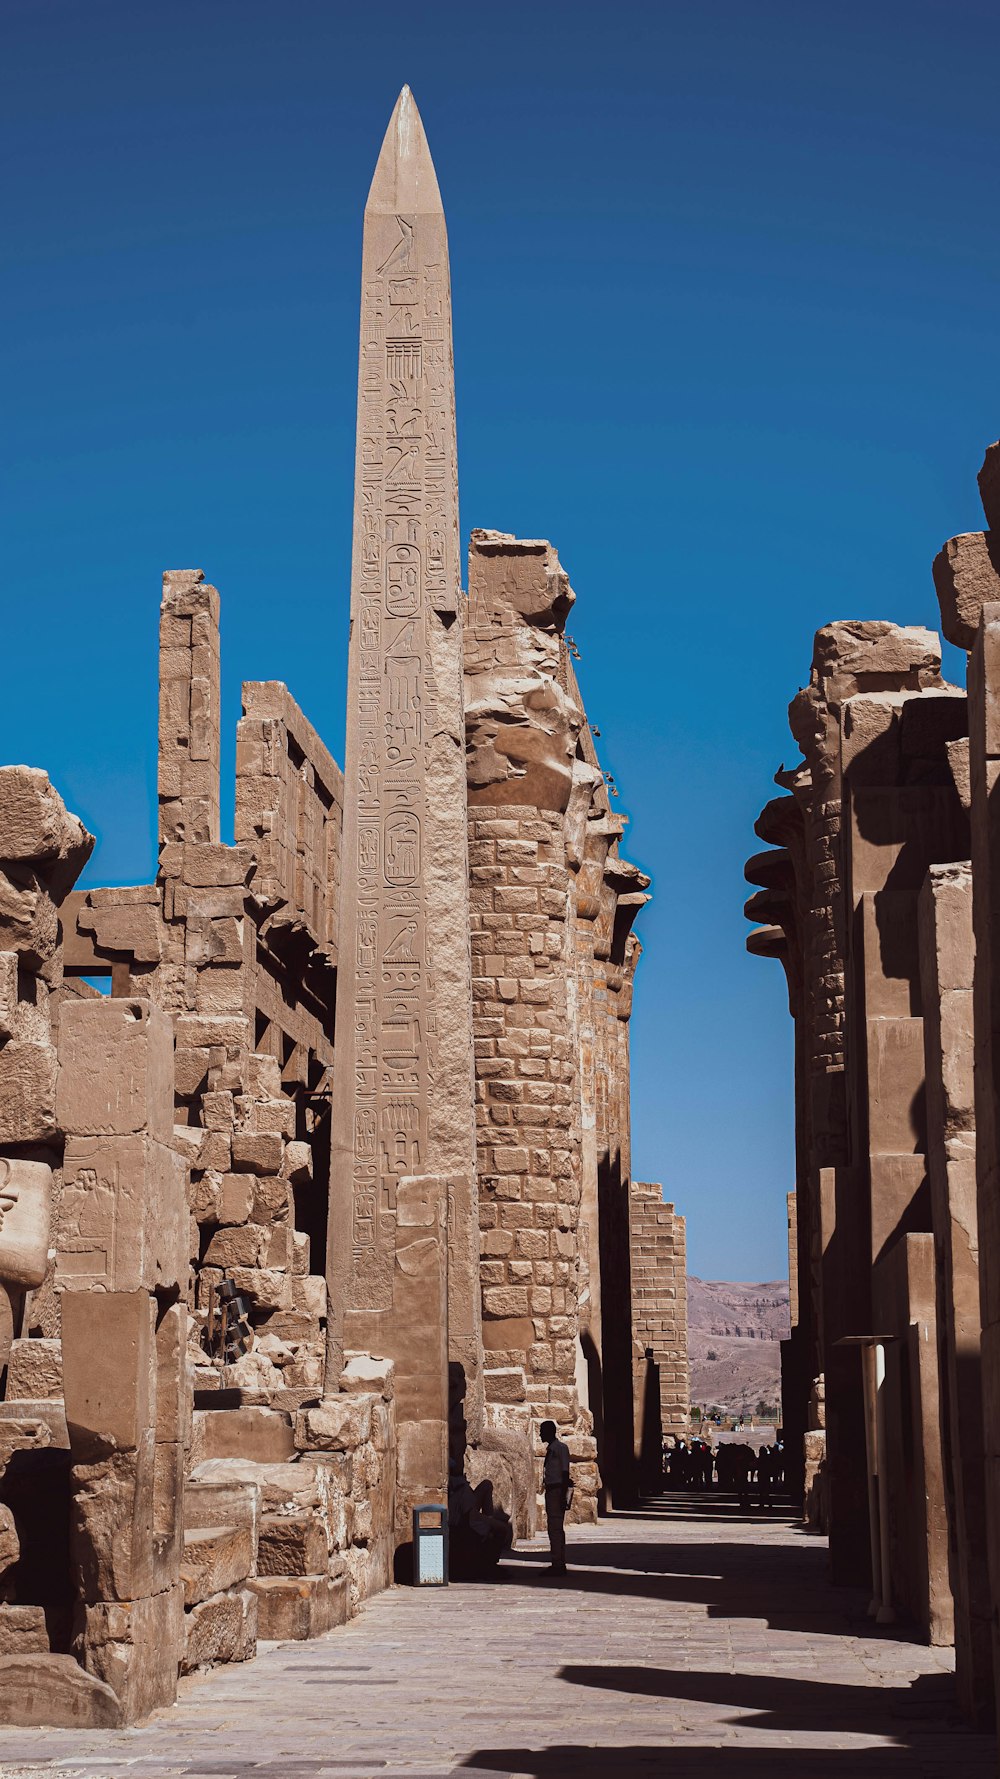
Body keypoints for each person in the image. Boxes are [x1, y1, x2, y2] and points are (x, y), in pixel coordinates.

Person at [540, 1419, 571, 1576]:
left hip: (557, 1490)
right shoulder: (551, 1449)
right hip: (552, 1490)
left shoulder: (560, 1448)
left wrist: (563, 1495)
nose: (539, 1434)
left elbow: (565, 1472)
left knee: (556, 1528)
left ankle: (559, 1564)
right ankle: (556, 1561)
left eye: (542, 1431)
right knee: (553, 1528)